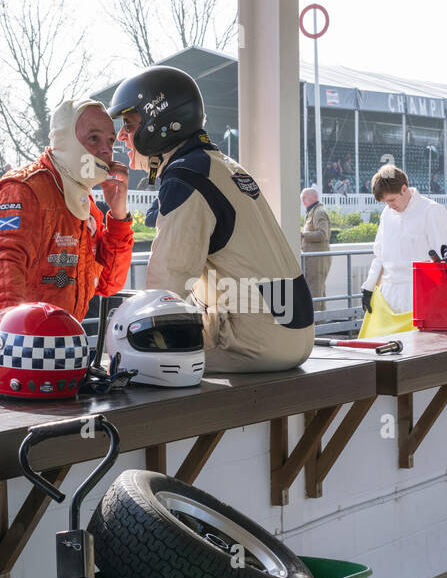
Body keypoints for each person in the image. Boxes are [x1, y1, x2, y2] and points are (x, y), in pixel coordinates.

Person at [109, 65, 314, 373]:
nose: (122, 136)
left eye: (130, 123)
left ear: (159, 123)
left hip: (255, 343)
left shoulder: (185, 179)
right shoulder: (222, 165)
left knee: (130, 360)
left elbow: (164, 290)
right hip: (292, 332)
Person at [0, 99, 133, 396]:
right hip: (5, 371)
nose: (106, 149)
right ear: (65, 139)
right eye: (93, 138)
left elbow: (108, 284)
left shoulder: (85, 206)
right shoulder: (20, 192)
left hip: (58, 368)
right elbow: (5, 293)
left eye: (109, 141)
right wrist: (23, 356)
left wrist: (118, 215)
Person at [360, 165, 447, 336]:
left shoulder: (432, 211)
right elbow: (379, 255)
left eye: (391, 200)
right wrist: (368, 287)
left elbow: (446, 259)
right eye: (385, 202)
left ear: (404, 189)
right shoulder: (386, 214)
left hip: (420, 297)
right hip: (388, 296)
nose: (389, 206)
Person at [301, 187, 332, 302]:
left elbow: (322, 234)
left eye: (305, 197)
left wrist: (303, 235)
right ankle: (319, 319)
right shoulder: (312, 212)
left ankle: (318, 319)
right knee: (316, 290)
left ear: (314, 198)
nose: (302, 200)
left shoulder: (319, 212)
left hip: (317, 259)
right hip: (313, 258)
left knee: (316, 291)